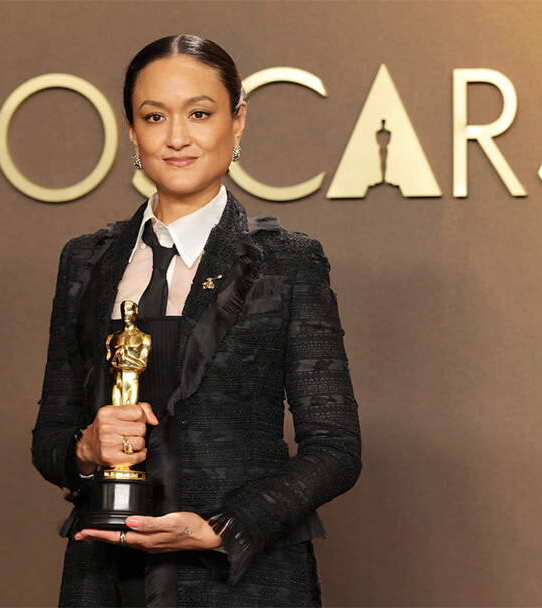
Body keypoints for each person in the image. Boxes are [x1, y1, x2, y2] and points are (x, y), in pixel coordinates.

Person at [32, 34, 361, 608]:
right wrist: (84, 448)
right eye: (154, 116)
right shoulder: (86, 261)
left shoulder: (288, 261)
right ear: (132, 131)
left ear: (238, 122)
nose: (177, 137)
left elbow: (335, 448)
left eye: (200, 114)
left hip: (241, 581)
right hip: (104, 578)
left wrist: (223, 527)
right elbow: (50, 439)